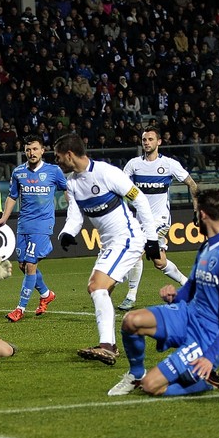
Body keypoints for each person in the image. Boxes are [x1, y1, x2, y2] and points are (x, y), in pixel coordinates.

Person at [108, 189, 219, 396]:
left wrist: (210, 356)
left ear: (202, 214)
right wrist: (175, 296)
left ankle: (207, 381)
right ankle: (135, 374)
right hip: (188, 315)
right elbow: (192, 286)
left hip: (209, 334)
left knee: (151, 386)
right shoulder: (207, 246)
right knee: (131, 321)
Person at [54, 133, 160, 365]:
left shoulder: (107, 172)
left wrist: (151, 239)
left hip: (127, 238)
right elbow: (75, 216)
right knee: (101, 291)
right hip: (110, 244)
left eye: (58, 157)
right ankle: (109, 345)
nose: (57, 161)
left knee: (96, 286)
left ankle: (107, 347)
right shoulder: (71, 183)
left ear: (69, 155)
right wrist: (67, 233)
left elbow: (139, 199)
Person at [118, 127, 199, 311]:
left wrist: (196, 209)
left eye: (150, 139)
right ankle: (189, 285)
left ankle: (131, 296)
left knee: (137, 249)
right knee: (159, 261)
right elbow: (120, 186)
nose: (146, 142)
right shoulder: (133, 165)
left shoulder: (170, 164)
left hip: (161, 219)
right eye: (144, 139)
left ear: (159, 142)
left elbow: (192, 184)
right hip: (140, 220)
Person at [0, 136, 67, 322]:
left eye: (34, 149)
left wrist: (73, 216)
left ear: (42, 150)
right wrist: (4, 218)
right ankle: (47, 294)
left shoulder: (53, 171)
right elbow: (12, 197)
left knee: (31, 265)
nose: (31, 153)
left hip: (42, 224)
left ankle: (20, 309)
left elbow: (67, 190)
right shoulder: (19, 172)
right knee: (23, 266)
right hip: (24, 223)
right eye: (28, 150)